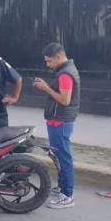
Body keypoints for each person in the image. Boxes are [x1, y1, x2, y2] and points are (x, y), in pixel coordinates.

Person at [33, 43, 80, 210]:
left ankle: (67, 195)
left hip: (61, 122)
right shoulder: (65, 70)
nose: (48, 65)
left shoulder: (65, 74)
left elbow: (65, 101)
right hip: (58, 120)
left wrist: (46, 88)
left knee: (63, 158)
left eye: (49, 61)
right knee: (59, 156)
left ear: (59, 57)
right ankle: (62, 188)